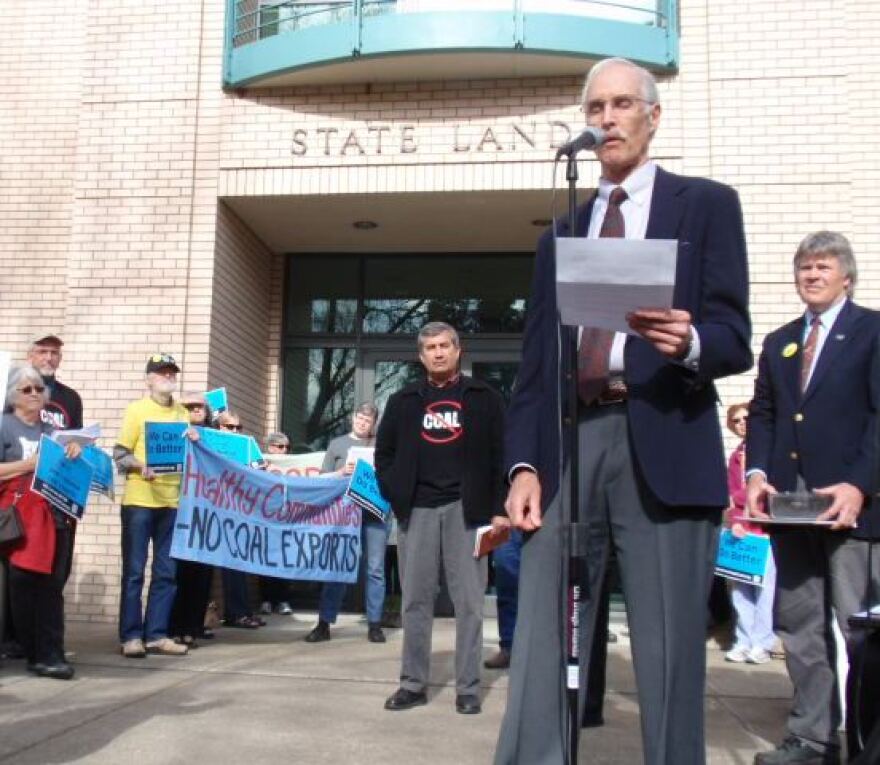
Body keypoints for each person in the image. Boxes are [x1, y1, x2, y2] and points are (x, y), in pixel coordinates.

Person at [496, 57, 752, 765]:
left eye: (619, 105)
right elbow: (536, 367)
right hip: (572, 445)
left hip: (662, 435)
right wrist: (523, 464)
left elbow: (736, 335)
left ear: (652, 116)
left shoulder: (704, 205)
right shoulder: (562, 234)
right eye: (594, 108)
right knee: (544, 632)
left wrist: (691, 339)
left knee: (669, 648)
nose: (605, 119)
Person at [746, 231, 880, 765]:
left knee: (860, 628)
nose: (812, 275)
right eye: (804, 267)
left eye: (823, 267)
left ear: (846, 276)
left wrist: (860, 484)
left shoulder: (872, 332)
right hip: (791, 508)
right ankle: (811, 738)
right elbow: (764, 414)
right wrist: (757, 474)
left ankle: (868, 741)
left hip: (851, 507)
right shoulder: (780, 340)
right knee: (799, 626)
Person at [376, 322, 508, 715]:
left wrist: (499, 509)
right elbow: (384, 455)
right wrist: (397, 494)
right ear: (421, 356)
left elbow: (503, 453)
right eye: (430, 347)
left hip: (467, 511)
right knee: (415, 600)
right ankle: (413, 684)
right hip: (416, 510)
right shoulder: (403, 401)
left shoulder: (484, 397)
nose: (438, 352)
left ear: (457, 350)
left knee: (469, 602)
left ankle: (467, 688)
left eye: (444, 346)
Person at [0, 365, 81, 679]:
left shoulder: (52, 431)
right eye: (26, 389)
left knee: (50, 588)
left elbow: (68, 466)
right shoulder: (4, 426)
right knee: (23, 588)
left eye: (38, 388)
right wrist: (29, 464)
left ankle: (51, 654)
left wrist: (74, 450)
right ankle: (34, 652)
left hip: (54, 517)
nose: (35, 393)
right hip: (18, 520)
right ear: (13, 396)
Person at [114, 353, 191, 658]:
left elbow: (190, 456)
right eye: (161, 373)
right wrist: (140, 465)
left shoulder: (184, 413)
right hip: (139, 501)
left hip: (172, 502)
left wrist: (196, 440)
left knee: (166, 573)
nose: (168, 377)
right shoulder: (136, 411)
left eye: (172, 373)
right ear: (148, 379)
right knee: (134, 572)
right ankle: (131, 636)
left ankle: (156, 635)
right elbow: (120, 454)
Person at [305, 403, 388, 644]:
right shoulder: (337, 444)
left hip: (375, 513)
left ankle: (375, 624)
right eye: (360, 418)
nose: (363, 423)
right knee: (338, 565)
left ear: (374, 424)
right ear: (353, 418)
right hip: (344, 515)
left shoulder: (380, 445)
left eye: (368, 420)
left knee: (375, 569)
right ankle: (324, 623)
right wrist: (341, 472)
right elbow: (322, 478)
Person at [723, 402, 777, 666]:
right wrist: (734, 520)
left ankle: (762, 643)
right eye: (736, 421)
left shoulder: (768, 454)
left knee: (765, 591)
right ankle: (743, 640)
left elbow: (762, 494)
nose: (742, 424)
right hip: (742, 532)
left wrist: (740, 495)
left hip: (763, 531)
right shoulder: (735, 457)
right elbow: (731, 497)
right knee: (740, 591)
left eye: (746, 418)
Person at [169, 392, 216, 647]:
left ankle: (193, 626)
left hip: (208, 515)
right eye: (190, 407)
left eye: (200, 407)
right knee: (179, 573)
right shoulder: (175, 433)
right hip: (180, 512)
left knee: (202, 575)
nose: (196, 410)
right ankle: (175, 626)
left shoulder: (216, 438)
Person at [216, 410, 264, 629]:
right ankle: (235, 613)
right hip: (218, 512)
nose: (235, 431)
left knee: (240, 564)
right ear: (219, 428)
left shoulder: (246, 447)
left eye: (238, 427)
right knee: (231, 565)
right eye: (229, 427)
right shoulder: (212, 445)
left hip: (241, 512)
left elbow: (260, 470)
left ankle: (243, 611)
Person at [259, 431, 294, 617]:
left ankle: (282, 600)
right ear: (271, 447)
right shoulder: (261, 463)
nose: (285, 451)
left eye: (287, 448)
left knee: (284, 559)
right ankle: (266, 600)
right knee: (265, 558)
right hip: (266, 517)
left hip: (286, 516)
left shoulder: (291, 466)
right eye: (281, 447)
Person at [27, 332, 83, 431]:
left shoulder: (72, 398)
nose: (49, 358)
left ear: (60, 358)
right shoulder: (10, 392)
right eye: (42, 352)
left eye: (54, 352)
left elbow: (76, 438)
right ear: (30, 357)